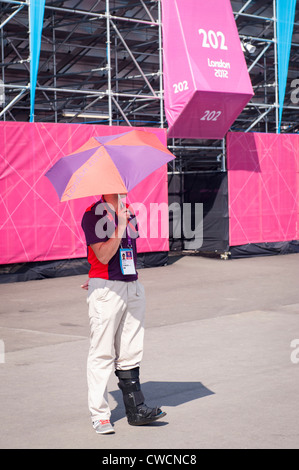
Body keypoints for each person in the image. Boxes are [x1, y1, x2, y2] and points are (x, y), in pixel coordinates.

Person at [81, 193, 166, 434]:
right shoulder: (92, 214)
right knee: (102, 353)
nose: (124, 185)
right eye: (117, 178)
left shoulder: (129, 209)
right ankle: (100, 415)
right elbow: (104, 255)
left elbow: (128, 250)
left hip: (131, 286)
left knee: (131, 351)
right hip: (108, 290)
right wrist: (118, 223)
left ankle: (136, 409)